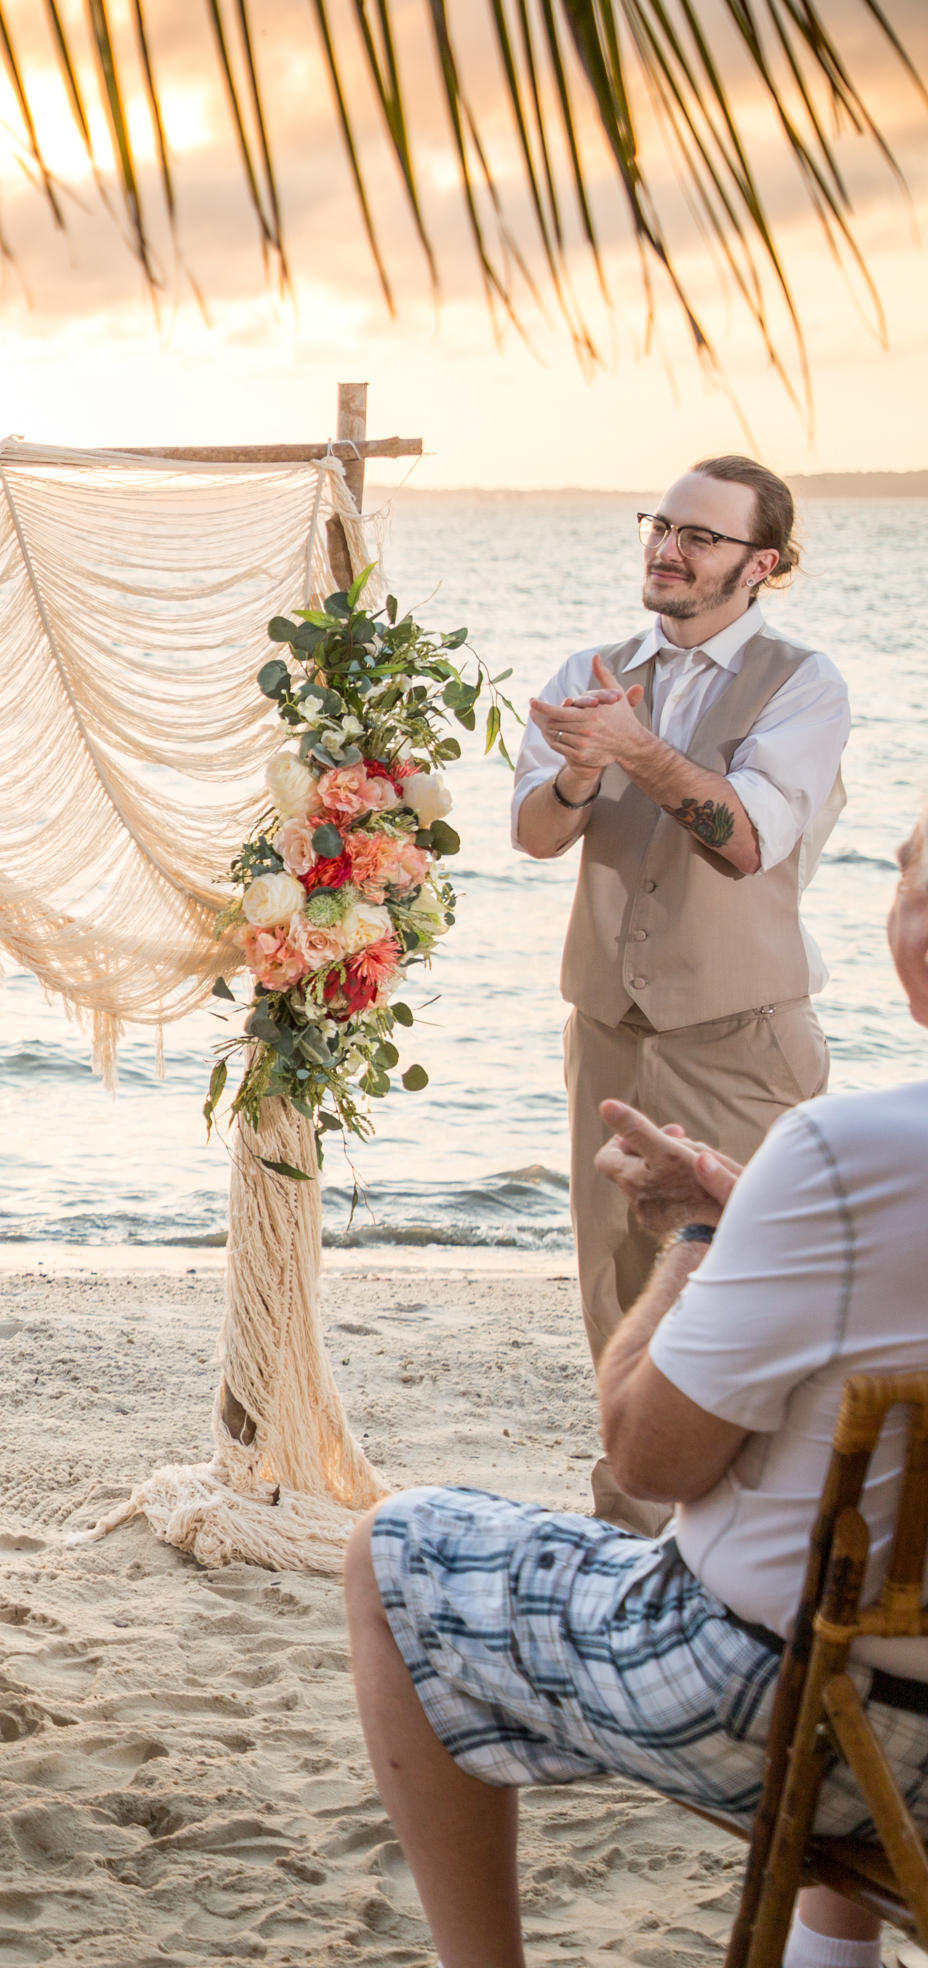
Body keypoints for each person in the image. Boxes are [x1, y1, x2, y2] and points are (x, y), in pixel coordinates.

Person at [348, 799, 928, 1968]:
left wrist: (707, 1233)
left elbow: (647, 1457)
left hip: (787, 1712)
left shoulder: (842, 1154)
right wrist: (754, 1201)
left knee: (395, 1551)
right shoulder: (832, 1170)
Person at [511, 454, 849, 1532]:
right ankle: (626, 1539)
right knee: (615, 1301)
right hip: (609, 1037)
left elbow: (745, 840)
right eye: (664, 523)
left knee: (757, 1294)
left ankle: (755, 1547)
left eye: (703, 536)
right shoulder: (590, 668)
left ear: (767, 565)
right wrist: (573, 771)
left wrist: (634, 749)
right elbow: (530, 834)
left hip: (741, 1042)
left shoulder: (804, 685)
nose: (670, 546)